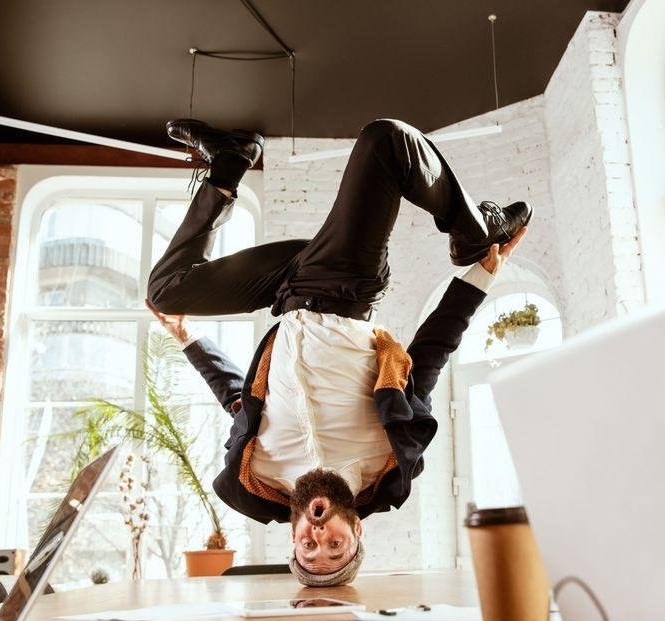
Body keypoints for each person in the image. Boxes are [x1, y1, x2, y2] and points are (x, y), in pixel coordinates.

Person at [145, 117, 531, 587]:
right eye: (336, 545)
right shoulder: (387, 458)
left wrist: (187, 339)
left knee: (167, 290)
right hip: (345, 283)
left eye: (310, 546)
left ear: (294, 538)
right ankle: (478, 230)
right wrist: (482, 277)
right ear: (356, 529)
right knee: (385, 142)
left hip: (284, 290)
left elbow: (237, 401)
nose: (319, 534)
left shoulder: (258, 474)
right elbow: (429, 356)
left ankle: (231, 158)